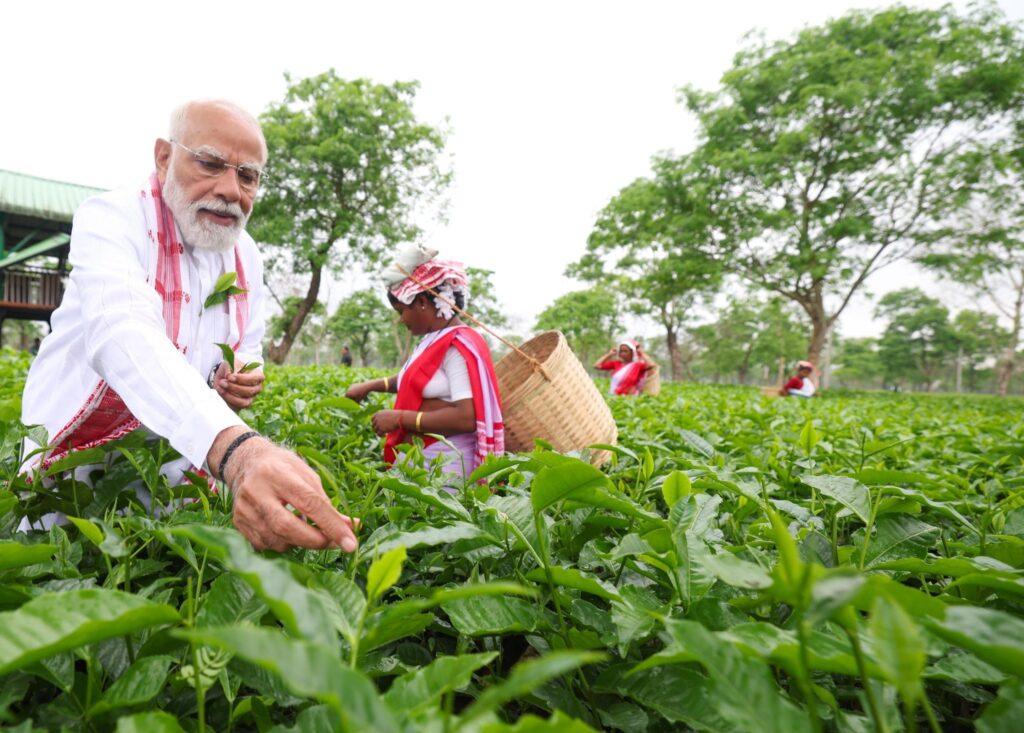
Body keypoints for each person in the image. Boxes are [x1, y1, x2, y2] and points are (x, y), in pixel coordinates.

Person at [20, 100, 358, 554]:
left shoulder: (246, 255)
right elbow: (122, 330)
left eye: (248, 176)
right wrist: (239, 452)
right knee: (66, 575)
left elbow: (248, 342)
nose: (230, 190)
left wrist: (243, 376)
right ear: (164, 157)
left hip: (177, 473)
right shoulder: (113, 218)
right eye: (210, 163)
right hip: (77, 472)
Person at [345, 244, 504, 480]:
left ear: (421, 302)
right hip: (427, 463)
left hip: (447, 469)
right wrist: (370, 386)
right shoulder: (434, 340)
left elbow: (466, 418)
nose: (401, 320)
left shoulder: (456, 346)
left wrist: (399, 418)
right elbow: (415, 380)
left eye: (401, 311)